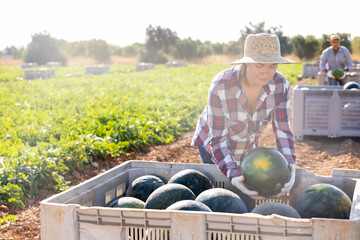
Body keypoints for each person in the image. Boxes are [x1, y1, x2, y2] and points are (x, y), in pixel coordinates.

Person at [191, 33, 296, 200]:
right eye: (260, 65)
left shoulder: (280, 85)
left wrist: (290, 165)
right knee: (225, 195)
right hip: (213, 142)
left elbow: (283, 130)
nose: (266, 73)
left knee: (246, 195)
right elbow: (218, 139)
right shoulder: (222, 85)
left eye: (272, 66)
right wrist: (233, 174)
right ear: (246, 63)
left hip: (246, 142)